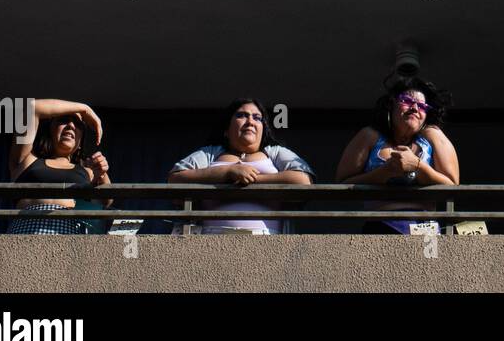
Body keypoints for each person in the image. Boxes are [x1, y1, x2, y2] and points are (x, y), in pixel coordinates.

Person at [168, 98, 314, 234]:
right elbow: (175, 179)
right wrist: (228, 172)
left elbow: (303, 181)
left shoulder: (275, 153)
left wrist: (251, 179)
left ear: (263, 129)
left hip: (267, 240)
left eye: (257, 118)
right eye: (242, 115)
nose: (250, 121)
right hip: (211, 238)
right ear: (226, 129)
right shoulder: (210, 153)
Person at [335, 77, 459, 234]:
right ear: (391, 104)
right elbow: (341, 185)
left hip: (427, 228)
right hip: (381, 227)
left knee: (429, 258)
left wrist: (417, 166)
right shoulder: (369, 136)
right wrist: (385, 172)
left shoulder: (432, 135)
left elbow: (453, 186)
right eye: (407, 100)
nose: (415, 108)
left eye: (422, 106)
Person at [7, 99, 111, 234]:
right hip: (25, 230)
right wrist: (84, 109)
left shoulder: (88, 172)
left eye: (78, 124)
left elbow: (106, 201)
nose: (71, 126)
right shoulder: (26, 159)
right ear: (50, 130)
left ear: (80, 142)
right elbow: (32, 109)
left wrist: (102, 174)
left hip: (69, 232)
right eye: (64, 120)